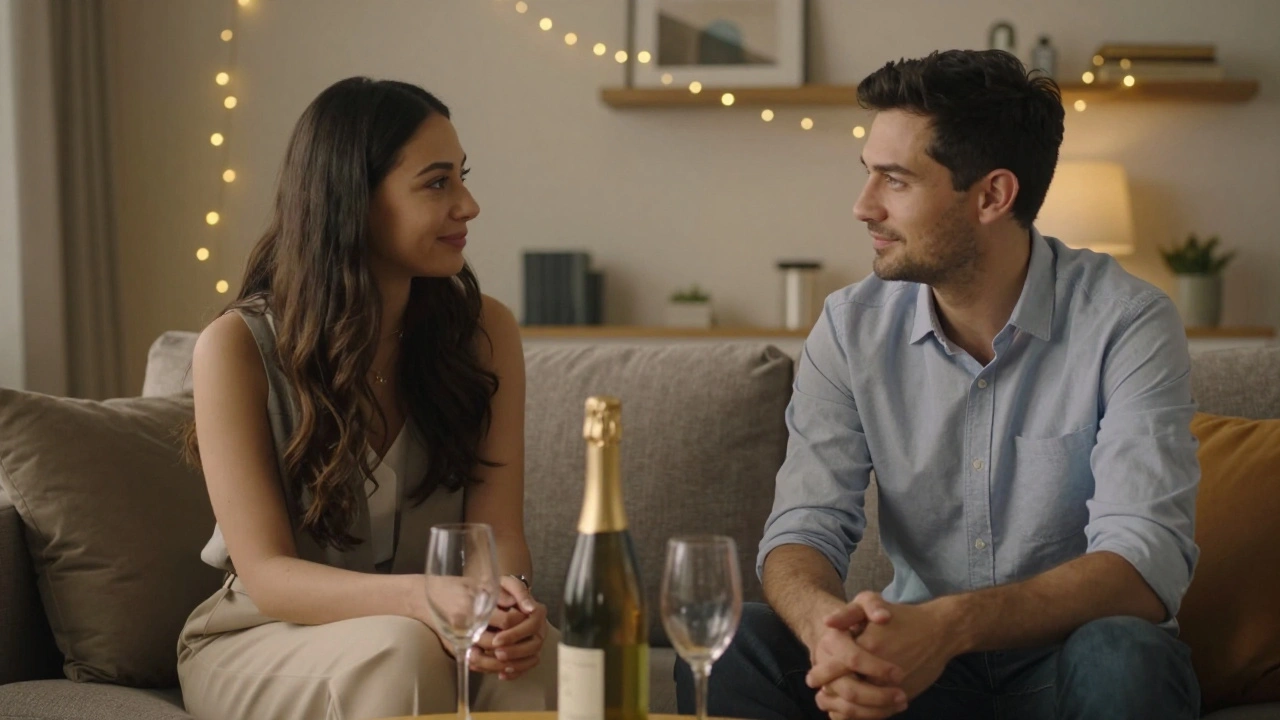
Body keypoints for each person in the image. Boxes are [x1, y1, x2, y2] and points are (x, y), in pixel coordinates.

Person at [678, 50, 1201, 720]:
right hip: (912, 677)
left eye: (894, 181)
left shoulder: (1127, 322)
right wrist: (827, 635)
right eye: (868, 175)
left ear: (992, 195)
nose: (863, 207)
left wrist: (951, 625)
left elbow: (1142, 560)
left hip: (1067, 670)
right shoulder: (850, 327)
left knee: (1126, 654)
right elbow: (805, 526)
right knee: (740, 642)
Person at [176, 77, 556, 720]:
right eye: (437, 183)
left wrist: (507, 603)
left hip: (423, 626)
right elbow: (268, 575)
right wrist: (425, 600)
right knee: (401, 651)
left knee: (537, 663)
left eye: (461, 177)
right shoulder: (235, 348)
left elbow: (497, 536)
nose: (469, 205)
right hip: (263, 635)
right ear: (352, 200)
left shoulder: (484, 333)